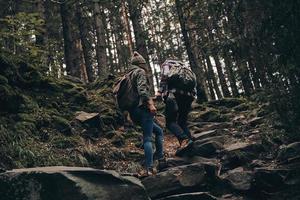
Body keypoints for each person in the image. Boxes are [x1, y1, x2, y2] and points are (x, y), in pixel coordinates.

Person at [114, 51, 164, 176]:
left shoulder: (128, 75)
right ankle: (149, 167)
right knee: (147, 137)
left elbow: (134, 93)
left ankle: (160, 157)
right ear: (141, 64)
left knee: (158, 131)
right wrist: (151, 104)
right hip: (143, 110)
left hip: (134, 111)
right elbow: (142, 91)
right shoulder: (140, 72)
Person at [158, 58, 196, 147]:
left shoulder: (166, 64)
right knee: (182, 122)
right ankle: (191, 144)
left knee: (170, 122)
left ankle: (184, 139)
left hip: (174, 94)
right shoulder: (183, 66)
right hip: (189, 96)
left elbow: (165, 76)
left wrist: (160, 91)